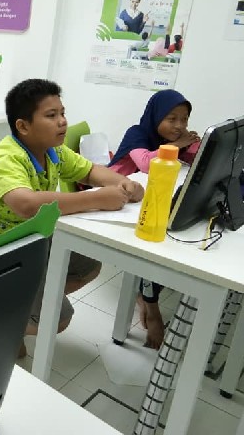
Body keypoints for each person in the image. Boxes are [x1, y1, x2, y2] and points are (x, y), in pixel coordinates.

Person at [0, 79, 144, 356]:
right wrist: (97, 198)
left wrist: (124, 183)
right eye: (51, 115)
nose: (62, 122)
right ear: (23, 126)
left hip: (30, 236)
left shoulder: (52, 150)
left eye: (62, 113)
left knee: (89, 265)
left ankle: (15, 308)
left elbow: (90, 171)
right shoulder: (6, 158)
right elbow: (26, 204)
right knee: (57, 320)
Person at [108, 89, 201, 349]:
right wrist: (178, 146)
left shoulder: (173, 139)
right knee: (153, 238)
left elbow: (196, 161)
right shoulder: (137, 133)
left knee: (161, 233)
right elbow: (146, 164)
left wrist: (194, 145)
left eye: (184, 119)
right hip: (117, 194)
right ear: (156, 115)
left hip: (143, 198)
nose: (179, 125)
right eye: (172, 119)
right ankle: (150, 302)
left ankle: (146, 294)